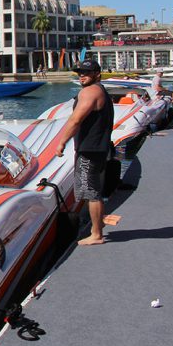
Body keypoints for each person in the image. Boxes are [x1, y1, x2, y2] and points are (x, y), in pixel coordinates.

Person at [56, 59, 114, 246]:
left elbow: (76, 120)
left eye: (86, 72)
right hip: (97, 147)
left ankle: (96, 234)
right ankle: (97, 226)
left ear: (97, 74)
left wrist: (62, 142)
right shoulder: (100, 90)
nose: (82, 75)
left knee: (90, 192)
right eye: (79, 72)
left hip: (89, 149)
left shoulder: (90, 92)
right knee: (93, 189)